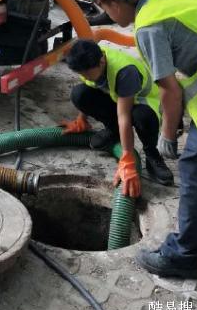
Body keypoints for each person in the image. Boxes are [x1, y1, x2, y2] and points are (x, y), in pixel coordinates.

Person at [88, 0, 197, 279]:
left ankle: (182, 257)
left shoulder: (147, 27)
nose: (105, 14)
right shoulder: (169, 1)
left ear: (116, 3)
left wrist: (167, 135)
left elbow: (169, 89)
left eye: (102, 6)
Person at [63, 39, 173, 197]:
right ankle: (112, 131)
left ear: (101, 61)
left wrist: (127, 158)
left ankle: (152, 154)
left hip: (143, 102)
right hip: (117, 98)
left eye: (87, 72)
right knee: (79, 95)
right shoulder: (87, 60)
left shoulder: (125, 72)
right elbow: (89, 86)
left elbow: (124, 116)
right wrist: (82, 118)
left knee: (142, 117)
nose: (85, 76)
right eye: (81, 73)